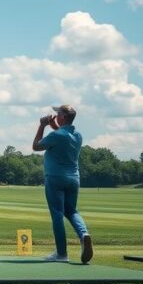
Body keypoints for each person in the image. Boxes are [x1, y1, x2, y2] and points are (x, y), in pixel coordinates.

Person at [32, 104, 93, 264]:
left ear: (63, 117)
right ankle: (84, 234)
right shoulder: (78, 136)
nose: (56, 115)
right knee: (71, 210)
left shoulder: (57, 136)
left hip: (55, 177)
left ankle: (61, 253)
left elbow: (36, 146)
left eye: (58, 113)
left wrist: (42, 125)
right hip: (73, 179)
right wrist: (53, 125)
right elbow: (61, 134)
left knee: (57, 214)